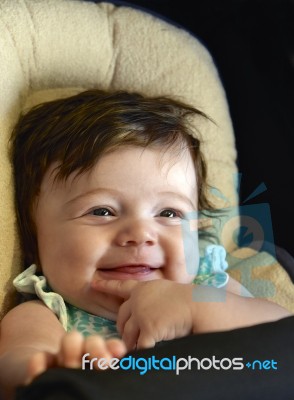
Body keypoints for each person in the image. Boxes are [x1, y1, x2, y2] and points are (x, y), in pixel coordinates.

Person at [0, 89, 290, 399]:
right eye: (101, 211)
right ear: (34, 238)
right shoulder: (47, 315)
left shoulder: (210, 287)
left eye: (169, 212)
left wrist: (196, 307)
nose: (140, 234)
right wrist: (54, 369)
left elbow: (282, 342)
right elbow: (15, 370)